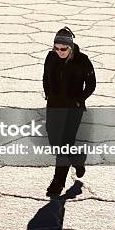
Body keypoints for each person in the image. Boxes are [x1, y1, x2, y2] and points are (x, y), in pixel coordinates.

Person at [42, 26, 96, 197]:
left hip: (73, 109)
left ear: (70, 47)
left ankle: (57, 184)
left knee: (64, 145)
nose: (59, 51)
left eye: (63, 49)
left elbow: (91, 84)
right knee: (54, 141)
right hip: (54, 107)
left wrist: (80, 100)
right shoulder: (50, 57)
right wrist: (48, 94)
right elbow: (45, 76)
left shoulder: (82, 60)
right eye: (56, 48)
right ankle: (78, 158)